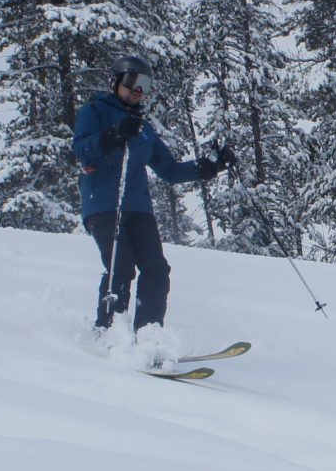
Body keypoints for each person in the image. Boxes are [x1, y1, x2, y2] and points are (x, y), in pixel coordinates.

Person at [72, 53, 235, 332]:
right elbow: (81, 149)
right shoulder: (95, 111)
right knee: (120, 266)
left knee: (157, 270)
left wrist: (210, 167)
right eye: (133, 82)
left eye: (145, 85)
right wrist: (113, 135)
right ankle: (109, 330)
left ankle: (147, 334)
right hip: (103, 204)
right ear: (117, 81)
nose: (138, 91)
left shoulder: (143, 129)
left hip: (138, 207)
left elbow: (169, 170)